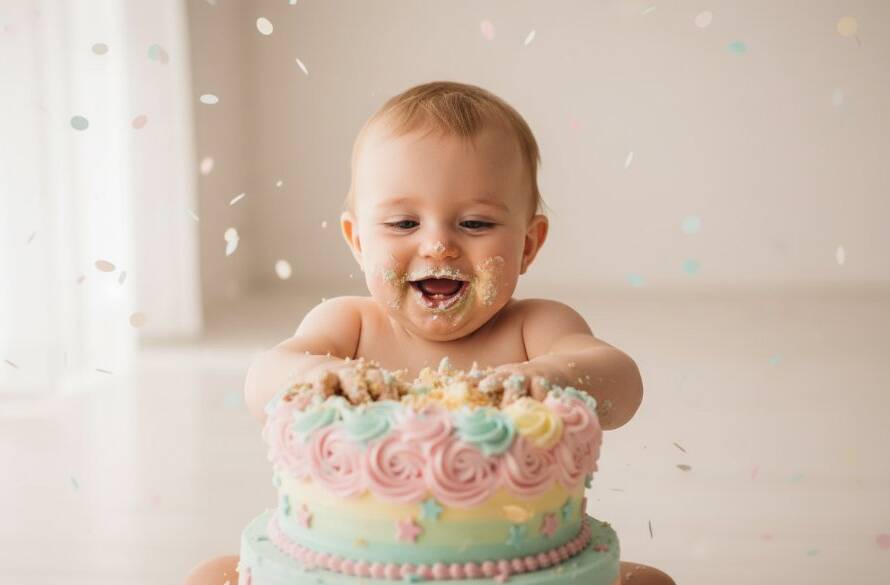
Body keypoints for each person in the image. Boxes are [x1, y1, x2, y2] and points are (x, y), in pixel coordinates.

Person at [185, 81, 676, 585]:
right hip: (344, 572)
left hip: (516, 573)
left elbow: (621, 384)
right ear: (358, 241)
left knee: (649, 582)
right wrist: (322, 373)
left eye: (475, 223)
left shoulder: (536, 328)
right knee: (211, 575)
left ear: (529, 244)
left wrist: (547, 375)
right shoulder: (350, 325)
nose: (439, 244)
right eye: (402, 223)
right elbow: (262, 382)